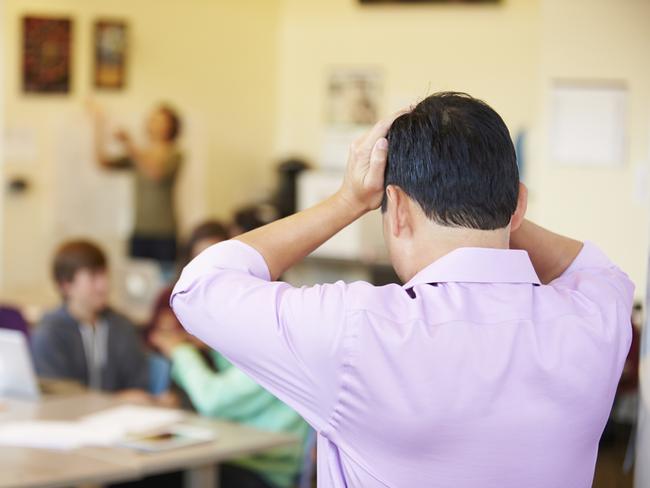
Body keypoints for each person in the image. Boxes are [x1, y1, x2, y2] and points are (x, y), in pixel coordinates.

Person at [170, 92, 634, 487]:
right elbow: (597, 269)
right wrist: (496, 206)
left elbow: (199, 285)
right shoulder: (596, 319)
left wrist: (347, 199)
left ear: (396, 209)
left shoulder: (356, 330)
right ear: (519, 206)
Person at [148, 219, 309, 488]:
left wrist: (180, 350)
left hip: (263, 468)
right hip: (235, 454)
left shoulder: (277, 335)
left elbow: (214, 399)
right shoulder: (259, 322)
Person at [32, 240, 150, 395]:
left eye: (105, 274)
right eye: (93, 277)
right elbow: (55, 392)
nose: (104, 285)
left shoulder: (122, 326)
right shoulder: (50, 332)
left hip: (121, 417)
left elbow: (138, 385)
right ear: (66, 284)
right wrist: (116, 400)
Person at [93, 103, 183, 273]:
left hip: (164, 232)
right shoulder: (139, 155)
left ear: (171, 126)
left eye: (161, 121)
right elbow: (102, 162)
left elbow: (155, 173)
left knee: (164, 283)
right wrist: (99, 124)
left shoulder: (175, 154)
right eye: (153, 120)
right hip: (139, 230)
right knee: (136, 283)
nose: (155, 124)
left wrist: (128, 143)